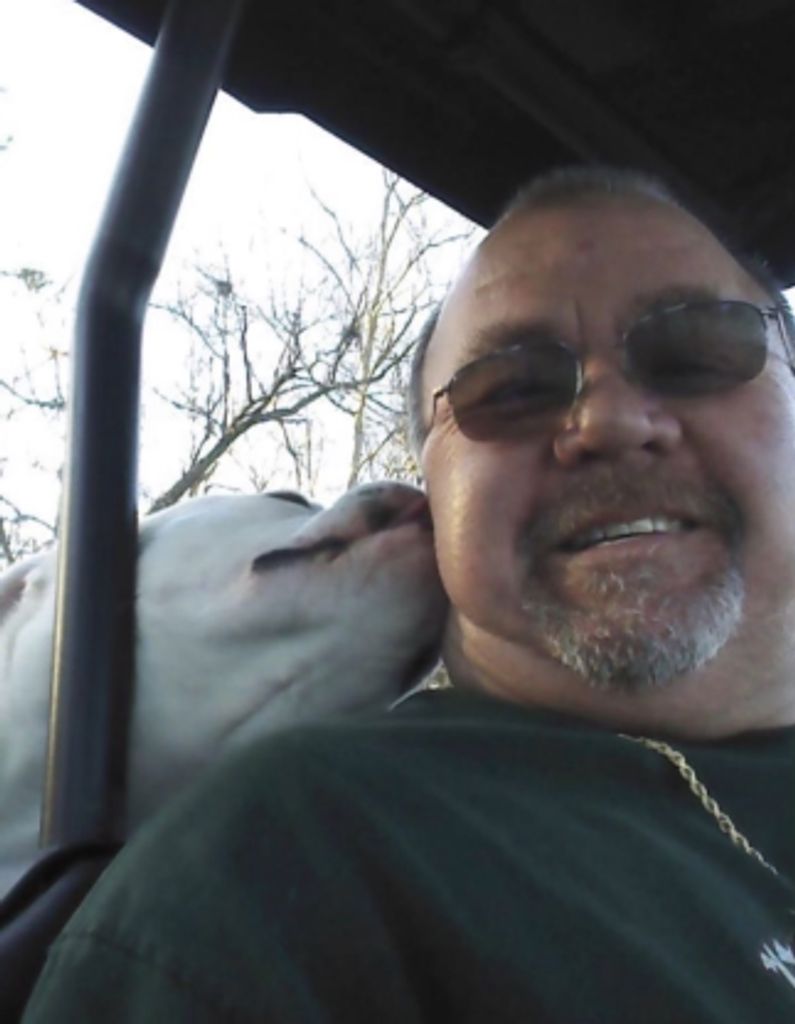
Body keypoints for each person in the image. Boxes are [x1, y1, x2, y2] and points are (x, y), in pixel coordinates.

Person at [21, 167, 795, 1021]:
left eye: (695, 354)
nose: (609, 421)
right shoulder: (292, 865)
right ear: (429, 486)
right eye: (512, 390)